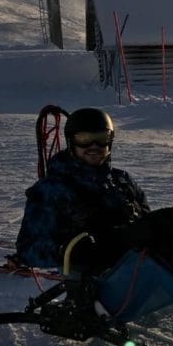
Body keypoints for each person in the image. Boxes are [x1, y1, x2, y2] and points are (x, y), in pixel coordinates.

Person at [15, 107, 150, 270]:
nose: (94, 146)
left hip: (142, 272)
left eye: (101, 138)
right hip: (94, 284)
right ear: (72, 141)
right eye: (85, 139)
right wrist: (70, 252)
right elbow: (28, 248)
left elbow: (149, 224)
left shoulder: (122, 181)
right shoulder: (52, 189)